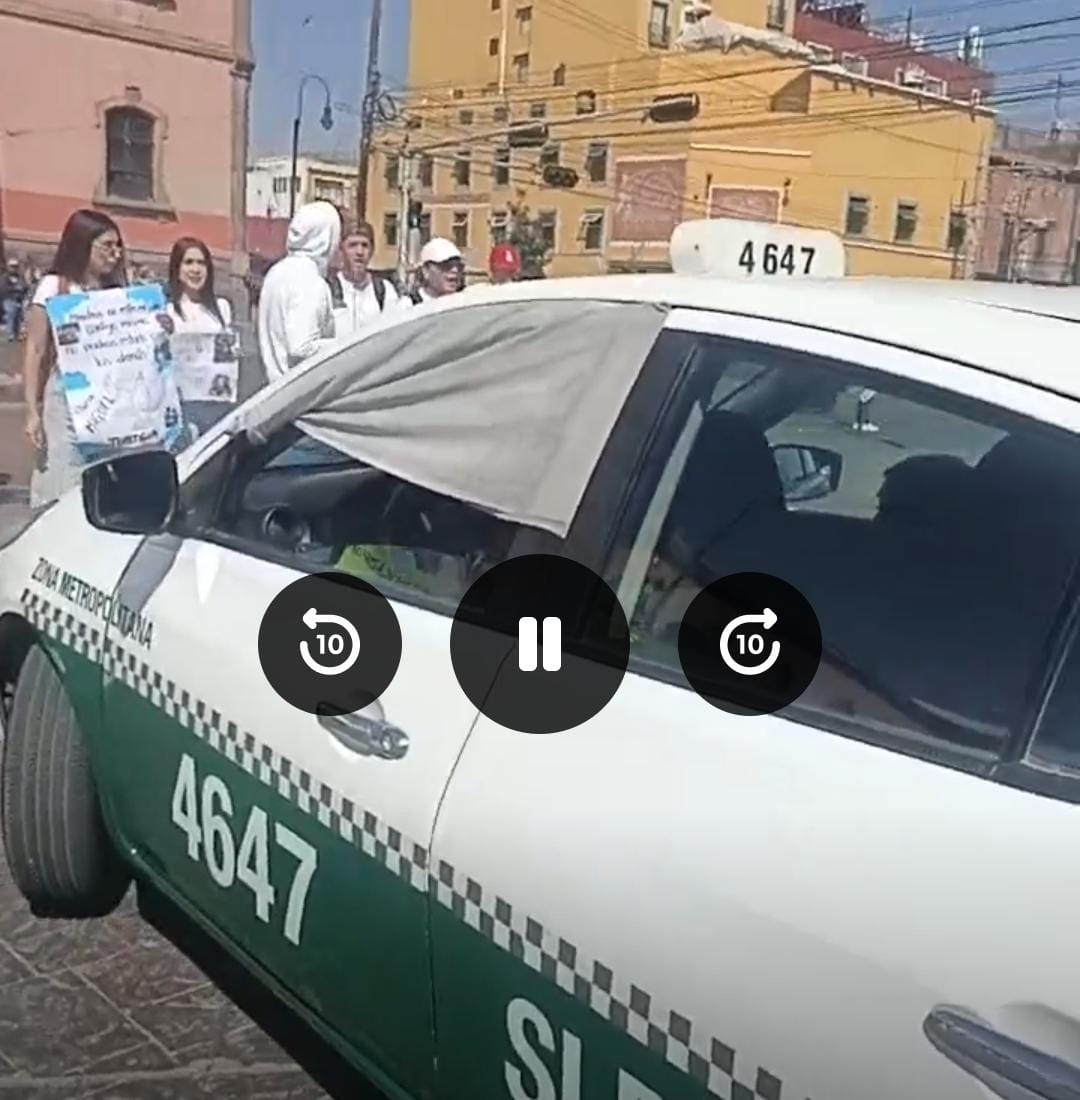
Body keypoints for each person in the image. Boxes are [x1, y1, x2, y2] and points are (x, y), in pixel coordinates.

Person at [22, 209, 126, 510]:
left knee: (100, 482)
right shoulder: (54, 287)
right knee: (61, 478)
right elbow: (36, 350)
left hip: (108, 402)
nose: (116, 254)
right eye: (107, 246)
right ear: (83, 244)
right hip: (65, 398)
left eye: (118, 246)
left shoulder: (116, 293)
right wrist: (32, 411)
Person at [257, 200, 341, 382]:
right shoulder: (309, 282)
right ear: (326, 238)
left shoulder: (277, 272)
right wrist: (346, 343)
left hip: (274, 388)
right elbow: (300, 348)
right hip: (299, 396)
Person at [166, 236, 236, 439]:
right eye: (189, 262)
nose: (196, 269)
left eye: (201, 263)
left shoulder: (222, 308)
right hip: (183, 408)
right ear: (177, 269)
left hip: (217, 408)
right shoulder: (167, 312)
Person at [329, 219, 404, 340]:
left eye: (365, 245)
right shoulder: (329, 289)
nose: (360, 252)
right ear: (341, 249)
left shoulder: (384, 290)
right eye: (352, 245)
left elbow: (393, 335)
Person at [410, 237, 465, 303]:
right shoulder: (408, 306)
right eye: (447, 265)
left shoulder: (465, 303)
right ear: (426, 271)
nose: (455, 270)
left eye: (459, 266)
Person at [1, 259, 29, 341]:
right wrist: (15, 288)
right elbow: (3, 288)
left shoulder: (20, 277)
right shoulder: (4, 278)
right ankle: (10, 334)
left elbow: (25, 286)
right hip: (8, 299)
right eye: (12, 266)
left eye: (15, 266)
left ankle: (16, 334)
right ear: (9, 267)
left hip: (19, 300)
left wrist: (23, 290)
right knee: (11, 314)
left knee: (18, 317)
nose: (14, 268)